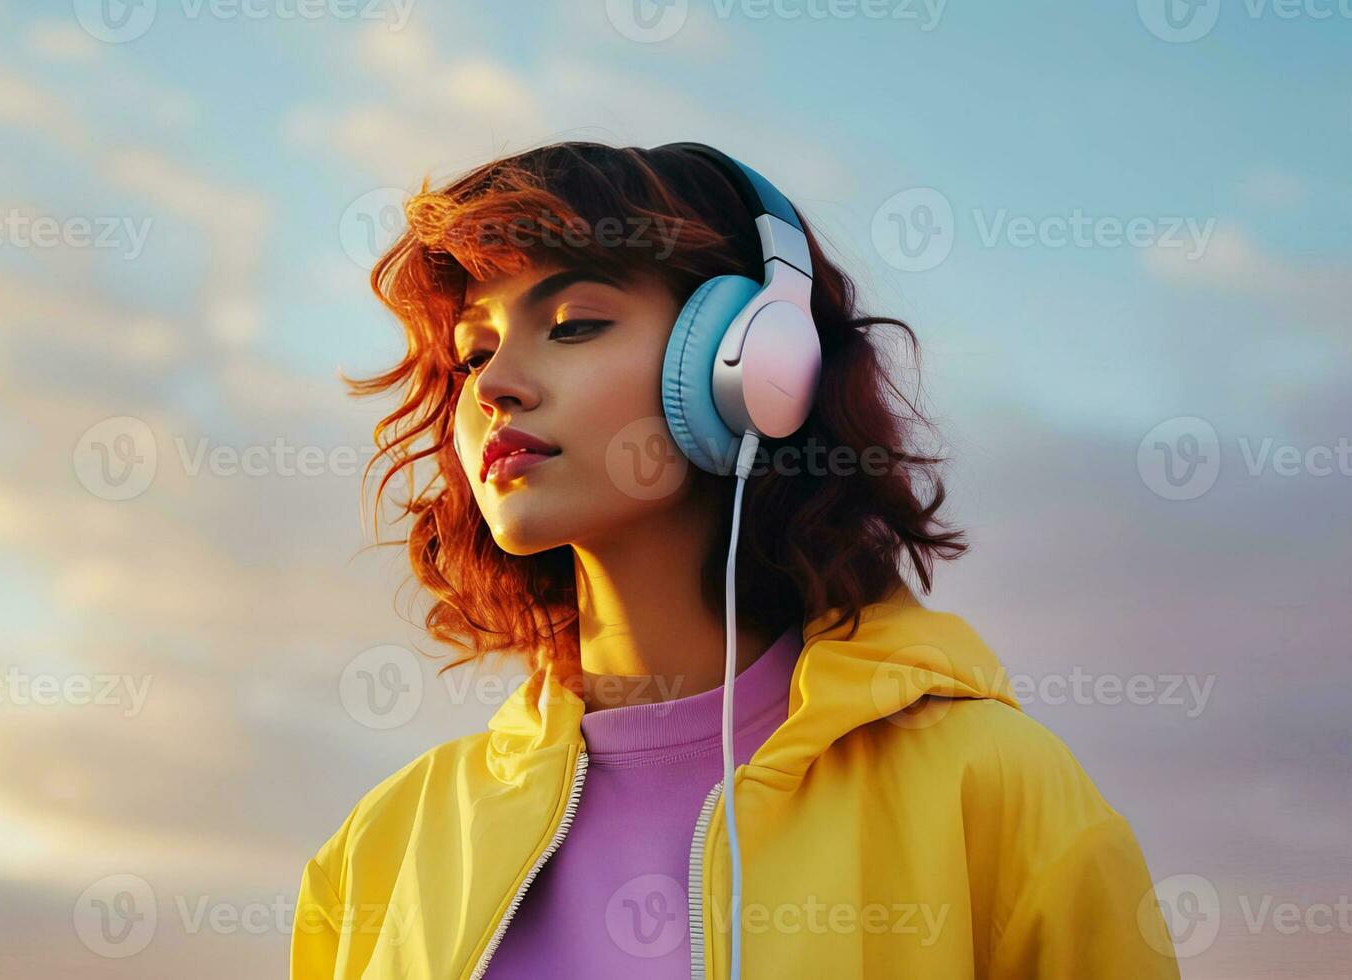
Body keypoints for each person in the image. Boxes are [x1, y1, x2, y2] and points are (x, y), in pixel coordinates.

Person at [292, 141, 1180, 979]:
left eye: (572, 324)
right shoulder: (382, 846)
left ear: (760, 369)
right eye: (473, 352)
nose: (491, 385)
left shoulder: (989, 788)